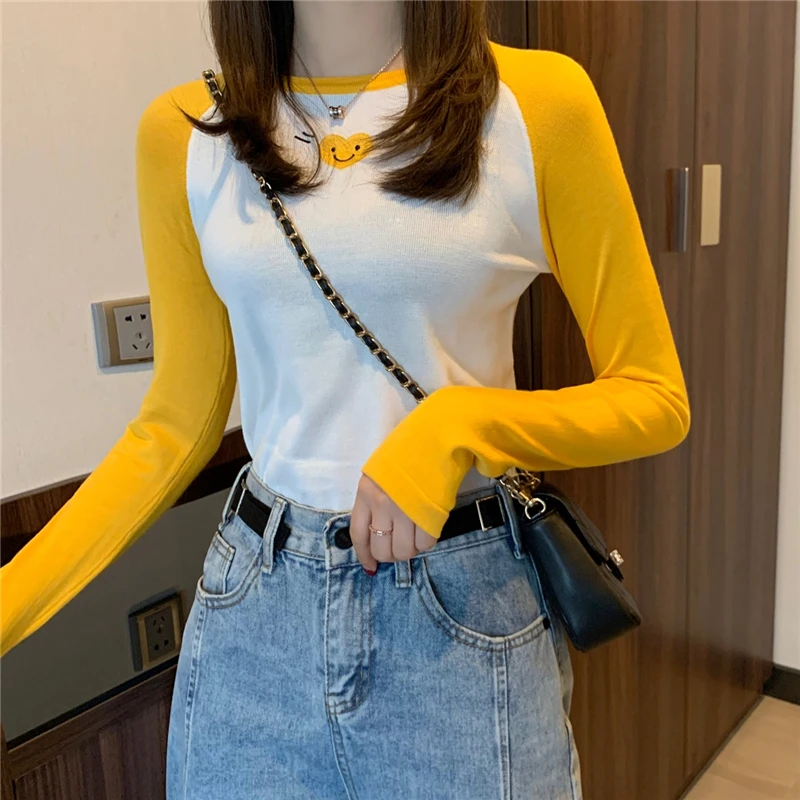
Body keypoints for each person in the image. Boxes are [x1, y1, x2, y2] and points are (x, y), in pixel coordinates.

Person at [1, 1, 691, 798]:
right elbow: (174, 426)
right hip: (257, 607)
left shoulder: (536, 103)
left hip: (460, 611)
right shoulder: (186, 131)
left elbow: (654, 397)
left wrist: (459, 425)